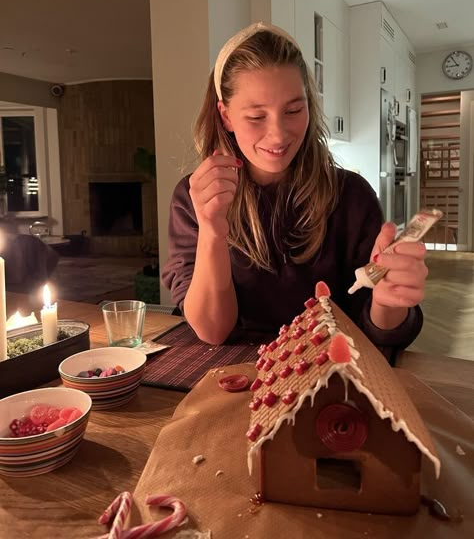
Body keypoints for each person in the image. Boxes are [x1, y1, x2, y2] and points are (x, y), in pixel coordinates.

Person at [162, 22, 426, 361]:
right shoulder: (194, 197)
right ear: (226, 116)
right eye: (256, 116)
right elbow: (214, 331)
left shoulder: (350, 196)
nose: (279, 134)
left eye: (293, 110)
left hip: (331, 369)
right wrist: (213, 229)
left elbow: (376, 328)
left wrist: (389, 300)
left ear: (309, 107)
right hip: (235, 373)